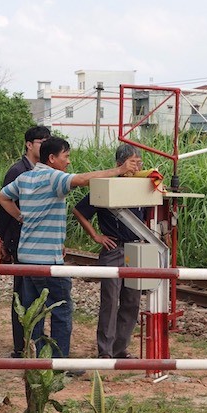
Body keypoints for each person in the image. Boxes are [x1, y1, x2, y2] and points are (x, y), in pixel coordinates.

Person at [0, 136, 139, 358]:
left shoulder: (25, 178)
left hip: (26, 258)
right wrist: (118, 170)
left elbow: (2, 197)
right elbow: (83, 179)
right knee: (61, 311)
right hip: (49, 262)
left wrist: (21, 217)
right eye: (66, 156)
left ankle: (34, 359)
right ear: (52, 158)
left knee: (34, 312)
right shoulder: (55, 178)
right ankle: (58, 362)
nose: (69, 162)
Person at [73, 145, 145, 359]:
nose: (137, 166)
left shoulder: (144, 187)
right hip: (114, 249)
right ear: (119, 164)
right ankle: (105, 351)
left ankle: (120, 348)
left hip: (137, 248)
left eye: (139, 162)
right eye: (133, 162)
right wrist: (96, 235)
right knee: (110, 301)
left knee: (132, 301)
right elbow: (79, 210)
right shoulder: (106, 186)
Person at [0, 125, 50, 358]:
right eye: (41, 141)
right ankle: (21, 346)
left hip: (37, 240)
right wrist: (2, 241)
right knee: (22, 295)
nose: (45, 145)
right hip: (20, 240)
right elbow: (3, 207)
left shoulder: (44, 170)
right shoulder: (17, 171)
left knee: (38, 295)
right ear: (29, 144)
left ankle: (34, 340)